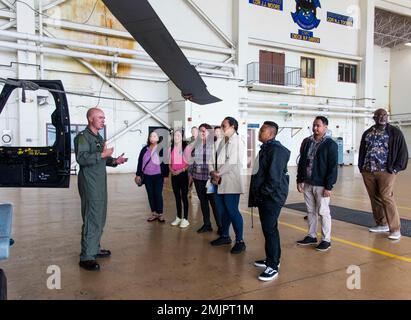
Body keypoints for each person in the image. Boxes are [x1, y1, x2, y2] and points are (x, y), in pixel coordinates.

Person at [74, 107, 128, 271]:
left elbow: (102, 158)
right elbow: (81, 159)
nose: (103, 120)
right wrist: (103, 155)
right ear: (90, 119)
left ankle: (94, 248)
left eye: (104, 118)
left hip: (99, 182)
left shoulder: (98, 137)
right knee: (92, 217)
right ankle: (86, 257)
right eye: (100, 117)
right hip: (89, 182)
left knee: (99, 216)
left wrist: (114, 161)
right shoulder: (82, 137)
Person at [249, 121, 290, 281]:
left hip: (271, 197)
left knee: (270, 229)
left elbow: (273, 180)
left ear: (271, 133)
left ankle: (273, 266)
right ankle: (272, 259)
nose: (260, 132)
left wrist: (261, 193)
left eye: (263, 130)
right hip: (266, 196)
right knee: (269, 229)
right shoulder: (267, 148)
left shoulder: (276, 151)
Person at [358, 108, 408, 240]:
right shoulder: (367, 133)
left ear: (387, 117)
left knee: (386, 197)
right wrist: (361, 168)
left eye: (384, 115)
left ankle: (395, 229)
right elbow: (363, 151)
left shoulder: (394, 132)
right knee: (375, 198)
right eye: (379, 115)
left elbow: (403, 151)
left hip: (386, 171)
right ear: (374, 118)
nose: (382, 117)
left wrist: (396, 168)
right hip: (368, 171)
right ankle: (382, 224)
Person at [296, 116, 338, 252]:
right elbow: (302, 161)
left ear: (325, 127)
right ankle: (311, 235)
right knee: (310, 211)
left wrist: (328, 186)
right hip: (308, 182)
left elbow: (332, 167)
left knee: (323, 212)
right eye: (314, 125)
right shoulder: (307, 142)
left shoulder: (330, 144)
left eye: (318, 126)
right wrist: (299, 179)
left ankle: (326, 239)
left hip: (321, 184)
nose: (315, 128)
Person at [210, 117, 246, 254]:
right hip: (218, 181)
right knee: (222, 211)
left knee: (232, 211)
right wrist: (212, 172)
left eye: (224, 125)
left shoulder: (237, 141)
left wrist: (217, 173)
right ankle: (225, 236)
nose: (222, 127)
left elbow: (232, 162)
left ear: (233, 127)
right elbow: (212, 159)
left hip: (230, 181)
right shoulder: (222, 141)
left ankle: (240, 241)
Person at [189, 123, 222, 234]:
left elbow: (217, 162)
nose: (201, 133)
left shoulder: (214, 144)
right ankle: (207, 224)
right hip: (198, 178)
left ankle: (220, 226)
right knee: (203, 202)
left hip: (209, 179)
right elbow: (192, 160)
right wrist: (191, 174)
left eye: (204, 131)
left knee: (214, 203)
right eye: (200, 131)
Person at [135, 130, 169, 223]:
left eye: (154, 136)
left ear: (158, 138)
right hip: (147, 176)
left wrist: (166, 176)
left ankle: (160, 214)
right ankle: (154, 213)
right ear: (149, 138)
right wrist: (138, 174)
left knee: (158, 194)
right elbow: (140, 162)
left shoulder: (162, 149)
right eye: (151, 136)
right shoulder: (144, 149)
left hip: (158, 176)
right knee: (150, 195)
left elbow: (166, 163)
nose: (152, 138)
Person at [169, 129, 191, 228]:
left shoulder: (186, 148)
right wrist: (171, 170)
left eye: (178, 135)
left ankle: (185, 219)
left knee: (184, 197)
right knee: (177, 197)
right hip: (174, 176)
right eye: (175, 135)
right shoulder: (171, 148)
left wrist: (180, 170)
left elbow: (188, 164)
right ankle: (178, 217)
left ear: (182, 137)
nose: (176, 137)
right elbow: (169, 163)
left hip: (183, 175)